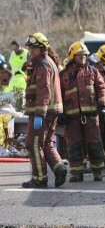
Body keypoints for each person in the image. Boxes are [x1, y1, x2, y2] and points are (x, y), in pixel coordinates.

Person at [22, 32, 67, 188]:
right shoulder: (47, 62)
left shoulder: (42, 65)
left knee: (33, 144)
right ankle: (59, 168)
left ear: (42, 48)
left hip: (42, 112)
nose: (31, 50)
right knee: (46, 143)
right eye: (30, 47)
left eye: (34, 48)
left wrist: (40, 114)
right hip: (50, 111)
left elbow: (44, 90)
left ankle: (39, 178)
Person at [59, 42, 105, 182]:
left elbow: (101, 88)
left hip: (91, 116)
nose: (83, 58)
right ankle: (76, 172)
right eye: (80, 55)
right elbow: (59, 94)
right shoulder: (64, 75)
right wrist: (60, 112)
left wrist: (103, 106)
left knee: (95, 143)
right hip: (72, 117)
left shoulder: (93, 71)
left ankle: (97, 171)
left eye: (85, 55)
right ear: (73, 56)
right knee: (74, 144)